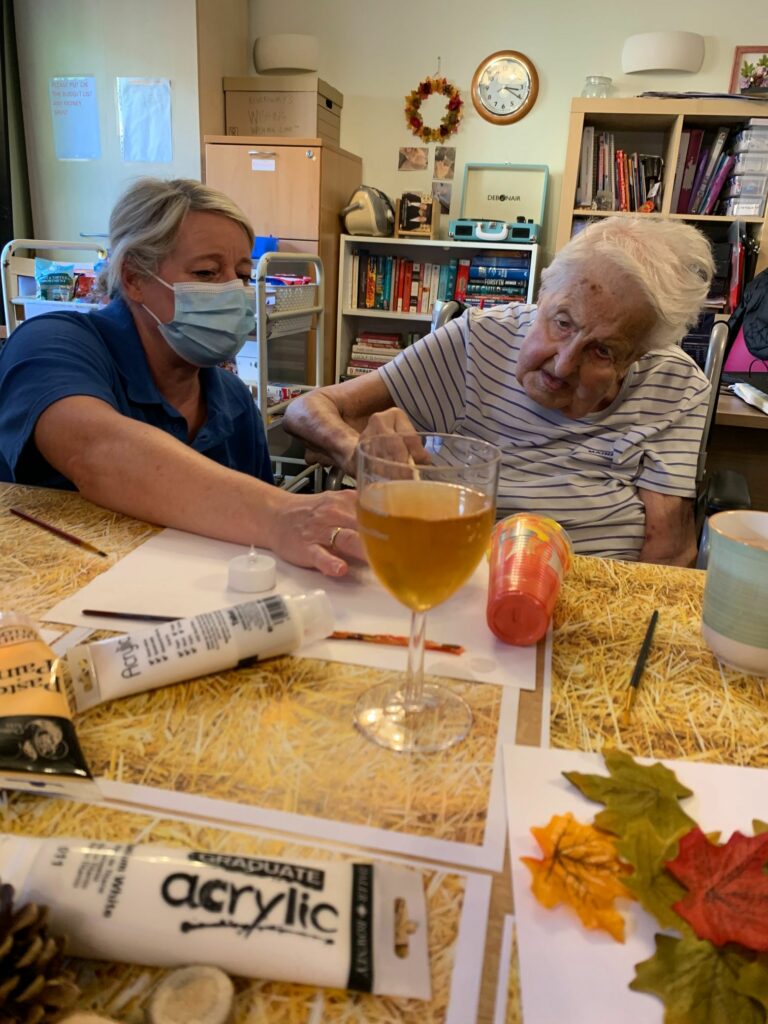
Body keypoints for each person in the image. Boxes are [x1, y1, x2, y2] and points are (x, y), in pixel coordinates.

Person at [283, 217, 716, 567]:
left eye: (603, 350)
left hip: (596, 594)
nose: (563, 364)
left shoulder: (674, 385)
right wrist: (356, 452)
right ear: (542, 295)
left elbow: (669, 552)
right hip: (456, 574)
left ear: (638, 355)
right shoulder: (478, 340)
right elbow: (306, 410)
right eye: (562, 322)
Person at [0, 178, 363, 577]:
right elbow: (97, 452)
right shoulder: (51, 344)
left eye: (242, 276)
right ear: (134, 277)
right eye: (207, 273)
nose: (232, 292)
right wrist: (281, 513)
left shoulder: (233, 400)